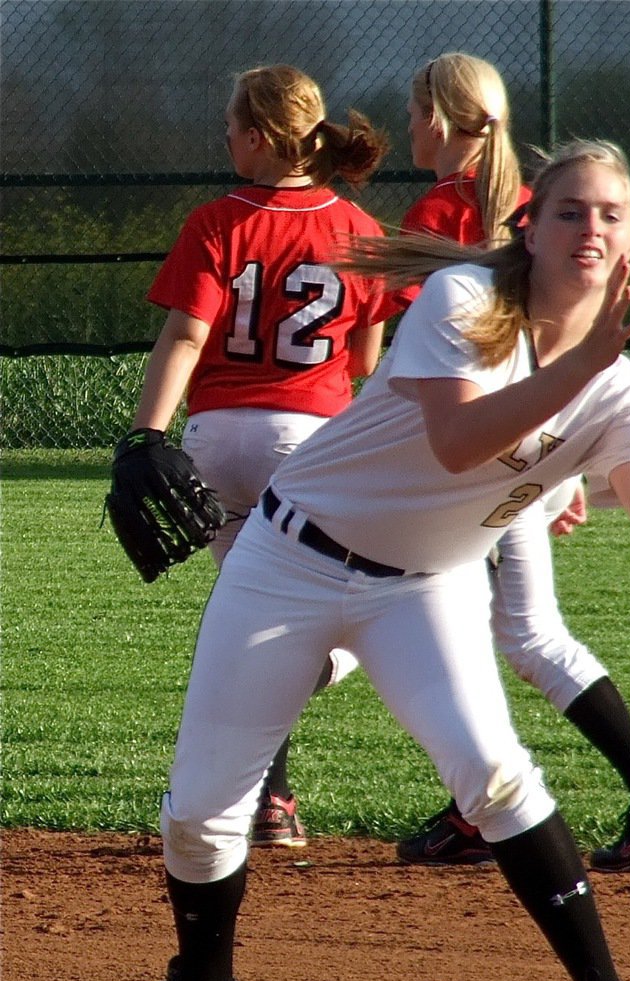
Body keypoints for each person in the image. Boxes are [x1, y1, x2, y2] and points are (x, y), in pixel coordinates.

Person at [109, 137, 630, 981]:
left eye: (611, 215)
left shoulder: (616, 388)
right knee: (201, 810)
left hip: (426, 592)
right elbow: (458, 441)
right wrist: (579, 378)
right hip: (285, 564)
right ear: (529, 226)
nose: (591, 227)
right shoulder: (465, 302)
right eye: (570, 210)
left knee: (493, 775)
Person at [391, 53, 630, 870]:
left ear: (437, 119)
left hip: (457, 475)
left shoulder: (451, 206)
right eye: (575, 215)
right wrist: (556, 469)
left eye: (415, 109)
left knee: (498, 630)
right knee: (502, 630)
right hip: (508, 461)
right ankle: (497, 800)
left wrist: (553, 469)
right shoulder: (500, 198)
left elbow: (461, 386)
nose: (587, 230)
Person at [123, 64, 391, 848]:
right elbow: (366, 359)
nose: (225, 138)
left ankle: (267, 800)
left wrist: (146, 433)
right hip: (306, 443)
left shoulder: (215, 221)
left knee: (254, 618)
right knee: (361, 617)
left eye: (232, 126)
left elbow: (185, 336)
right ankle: (295, 717)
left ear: (260, 138)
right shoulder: (359, 229)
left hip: (213, 444)